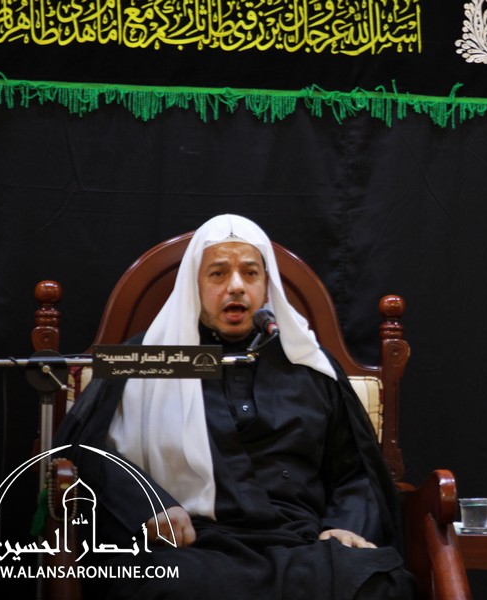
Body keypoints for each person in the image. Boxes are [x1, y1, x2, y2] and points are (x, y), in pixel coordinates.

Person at [51, 214, 416, 599]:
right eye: (219, 273)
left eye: (250, 273)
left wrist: (345, 524)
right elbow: (79, 449)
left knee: (379, 584)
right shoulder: (148, 357)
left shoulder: (309, 363)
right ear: (194, 284)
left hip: (303, 544)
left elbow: (356, 470)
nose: (236, 286)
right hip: (193, 546)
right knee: (159, 585)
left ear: (267, 285)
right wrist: (147, 505)